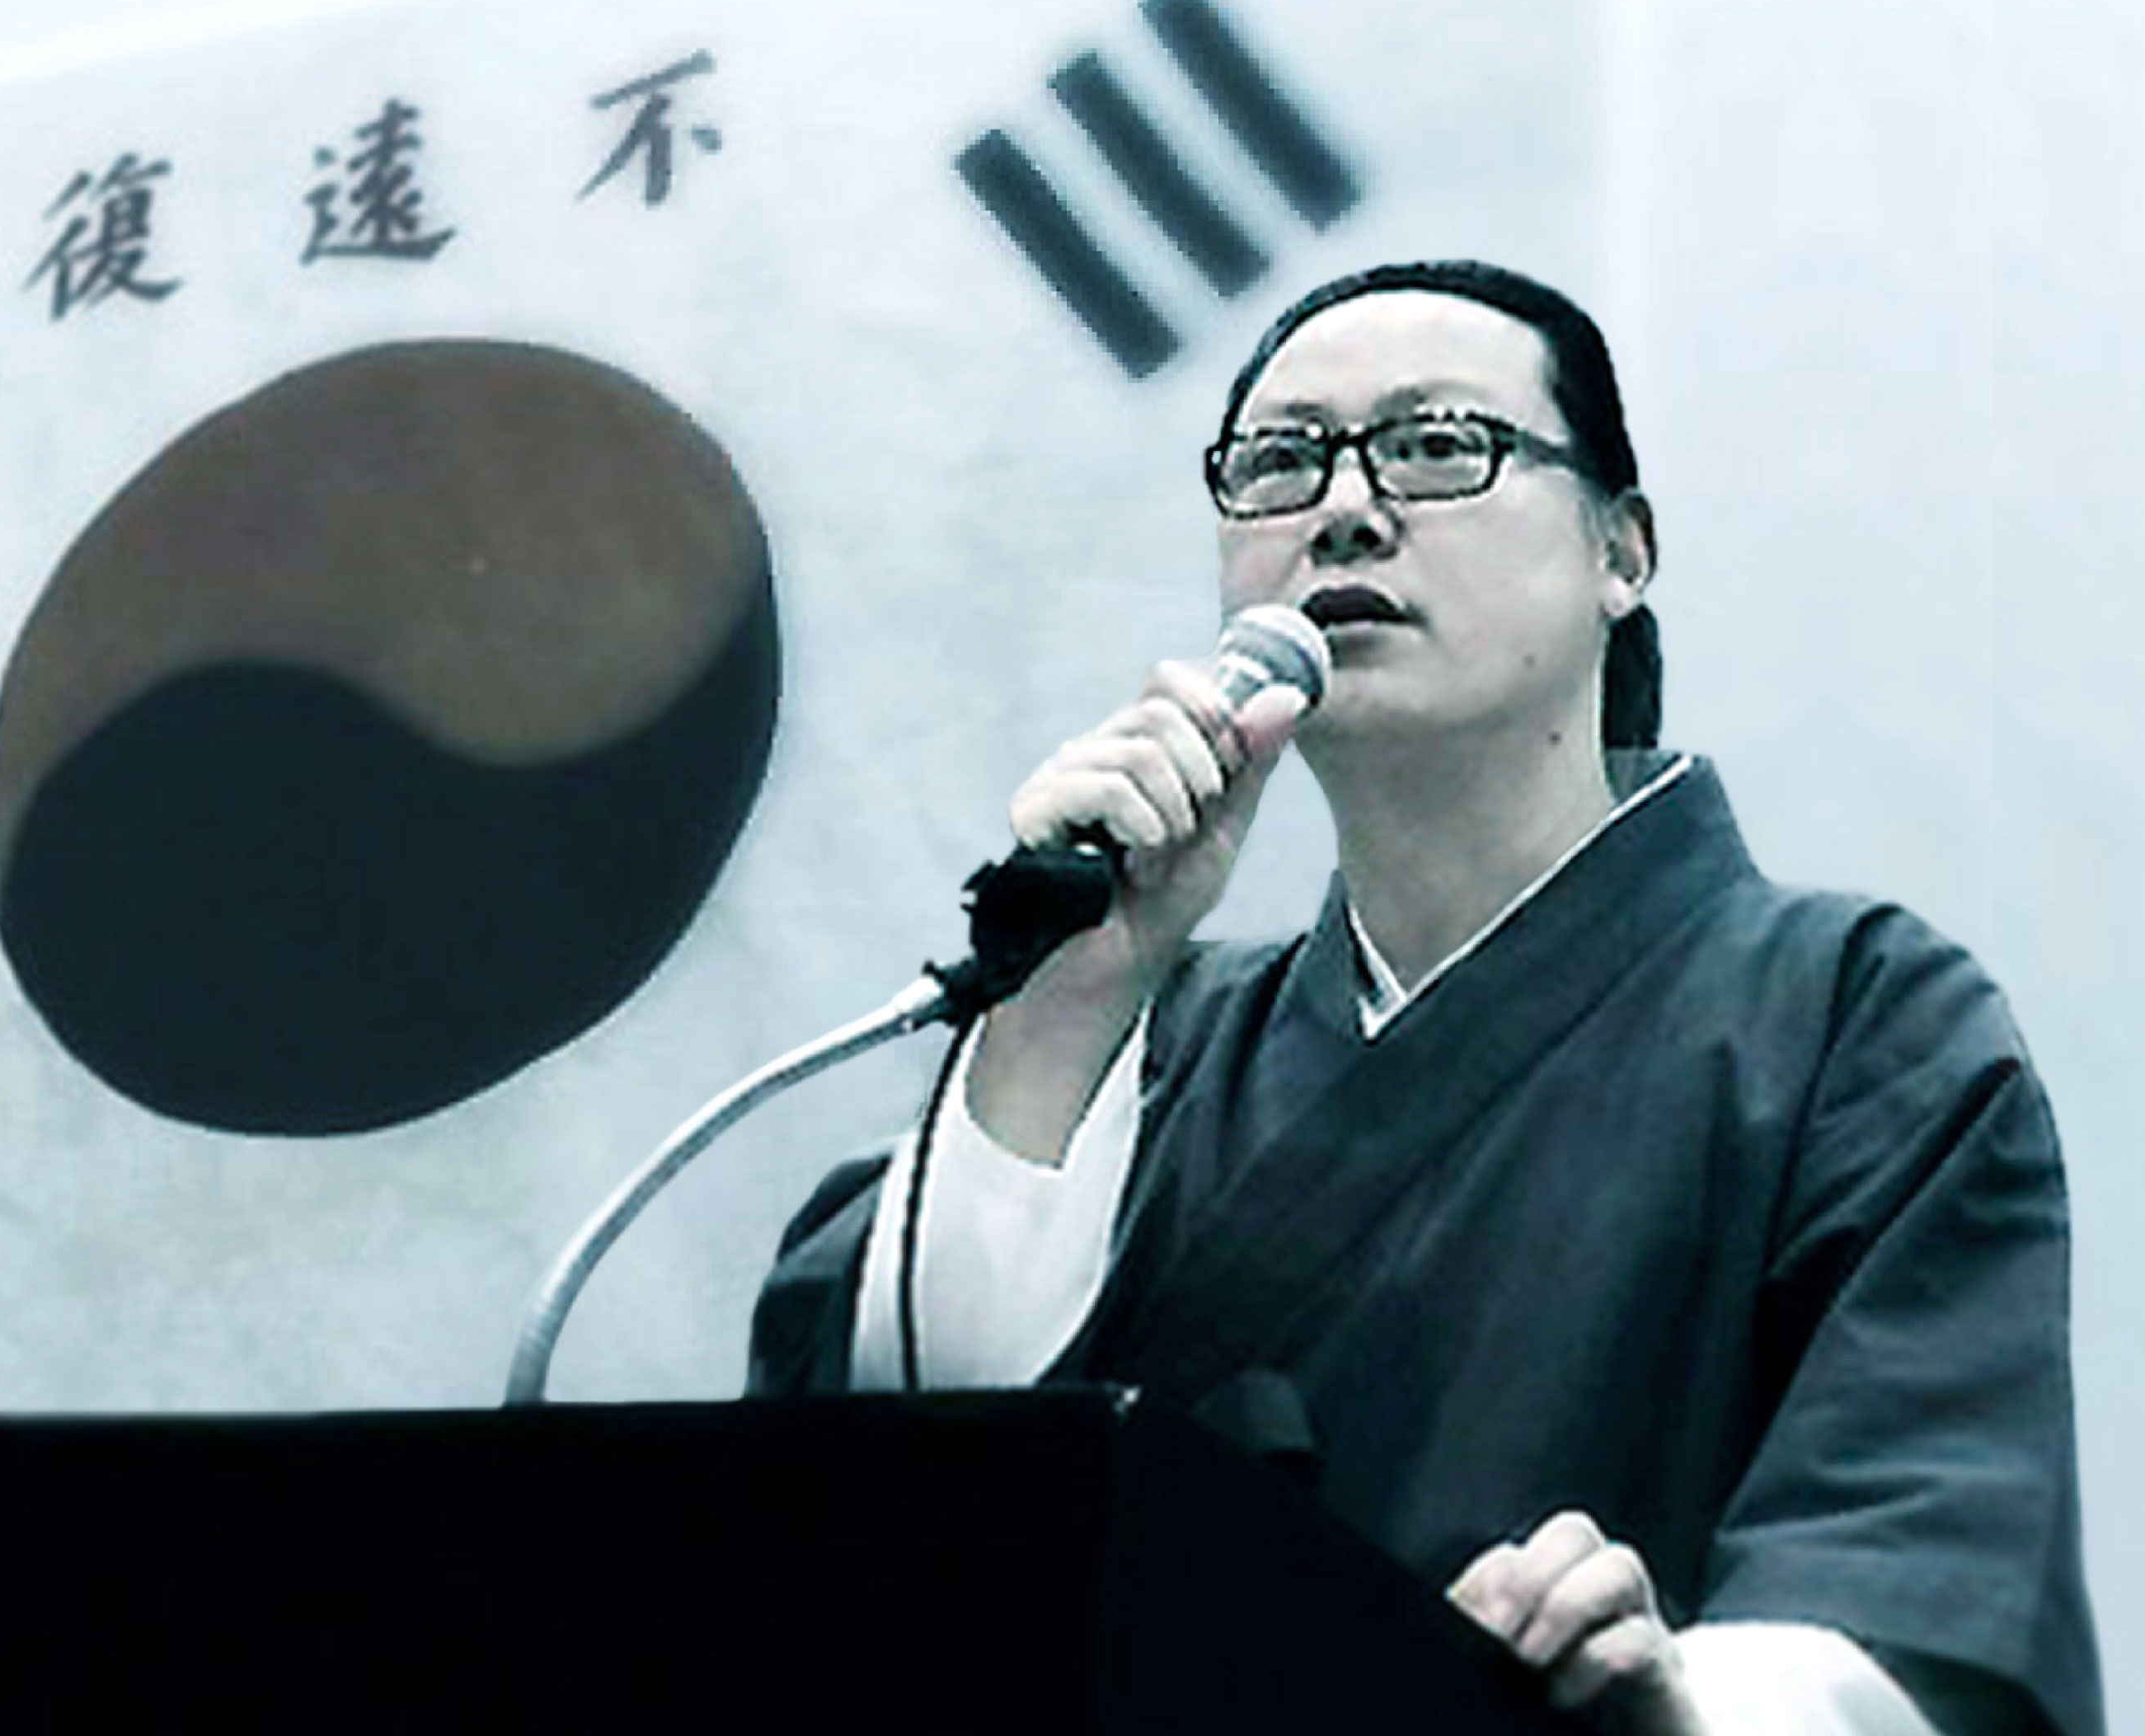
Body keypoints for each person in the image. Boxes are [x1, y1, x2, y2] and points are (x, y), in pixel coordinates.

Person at [747, 261, 2100, 1736]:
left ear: (1620, 552)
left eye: (1435, 445)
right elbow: (893, 1519)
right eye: (1279, 461)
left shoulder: (1849, 1023)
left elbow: (1926, 1571)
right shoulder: (1133, 1039)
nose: (1342, 508)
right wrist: (1060, 1007)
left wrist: (1676, 1695)